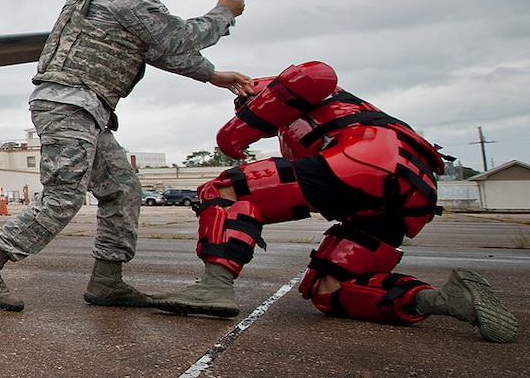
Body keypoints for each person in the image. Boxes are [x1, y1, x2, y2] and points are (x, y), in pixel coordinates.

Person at [0, 0, 252, 315]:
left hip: (85, 108)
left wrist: (214, 76)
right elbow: (178, 36)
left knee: (122, 189)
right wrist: (224, 12)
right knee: (64, 195)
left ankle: (108, 280)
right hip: (71, 104)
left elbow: (159, 49)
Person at [152, 61, 516, 341]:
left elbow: (316, 73)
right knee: (330, 291)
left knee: (224, 189)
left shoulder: (316, 93)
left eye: (245, 103)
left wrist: (232, 134)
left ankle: (215, 288)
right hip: (405, 194)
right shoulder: (327, 120)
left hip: (366, 162)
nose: (244, 110)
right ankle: (445, 300)